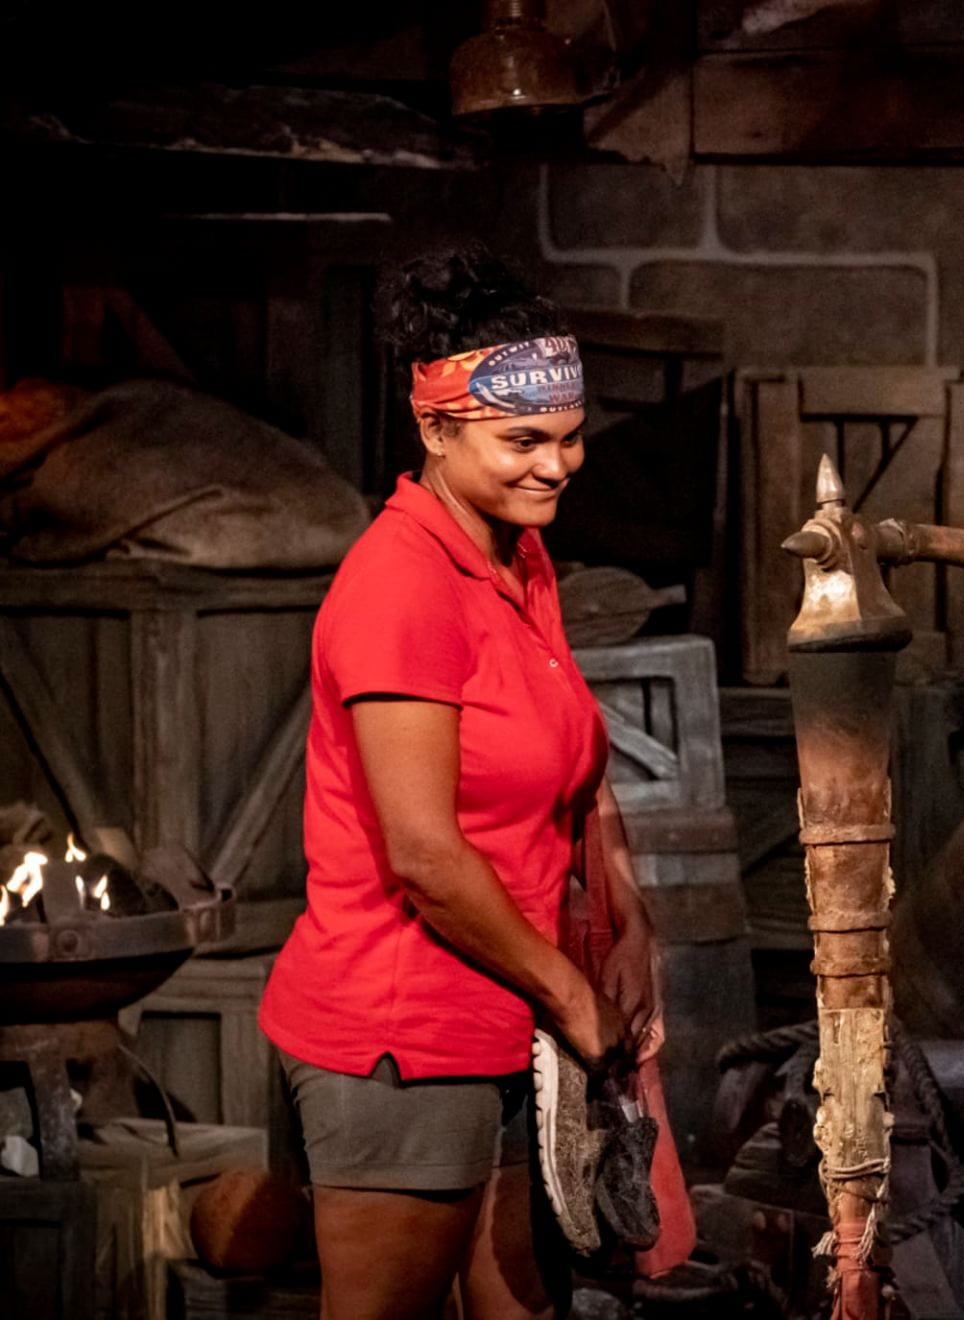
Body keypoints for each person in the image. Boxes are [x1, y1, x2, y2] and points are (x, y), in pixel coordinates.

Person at [258, 249, 664, 1319]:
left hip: (513, 1019)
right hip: (407, 1034)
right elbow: (426, 857)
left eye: (569, 437)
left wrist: (630, 919)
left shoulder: (518, 559)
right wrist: (572, 996)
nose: (557, 466)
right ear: (435, 430)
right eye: (522, 442)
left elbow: (577, 766)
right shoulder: (402, 587)